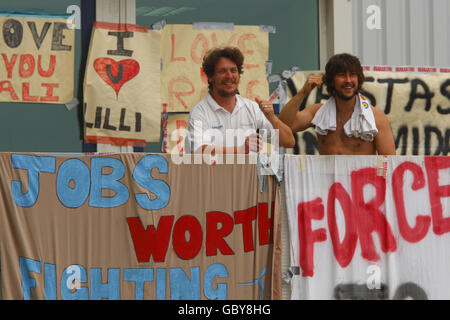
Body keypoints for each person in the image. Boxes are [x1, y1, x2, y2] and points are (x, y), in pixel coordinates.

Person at [278, 53, 396, 155]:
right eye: (342, 75)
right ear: (331, 80)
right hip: (327, 181)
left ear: (359, 79)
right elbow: (283, 127)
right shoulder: (317, 112)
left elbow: (389, 162)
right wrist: (302, 93)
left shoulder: (375, 116)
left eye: (353, 74)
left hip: (362, 180)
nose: (348, 80)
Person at [185, 46, 295, 155]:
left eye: (233, 70)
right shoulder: (199, 112)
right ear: (210, 77)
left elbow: (289, 141)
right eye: (222, 71)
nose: (229, 76)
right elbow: (199, 151)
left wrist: (271, 117)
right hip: (214, 173)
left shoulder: (252, 108)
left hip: (250, 173)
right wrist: (241, 149)